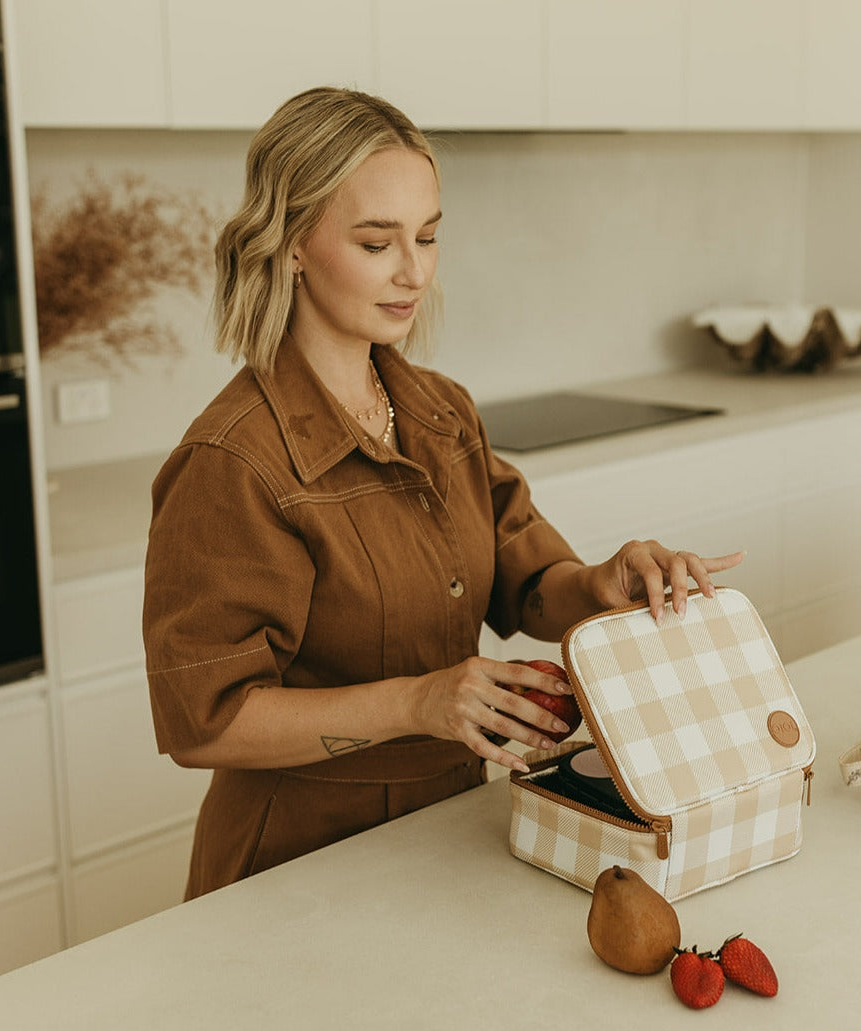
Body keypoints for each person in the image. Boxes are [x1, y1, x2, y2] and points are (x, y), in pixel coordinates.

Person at [142, 87, 744, 900]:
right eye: (374, 241)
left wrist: (607, 582)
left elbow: (529, 586)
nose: (414, 270)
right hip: (297, 865)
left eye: (427, 236)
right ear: (289, 243)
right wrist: (419, 701)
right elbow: (204, 720)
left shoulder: (440, 411)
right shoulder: (233, 462)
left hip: (453, 825)